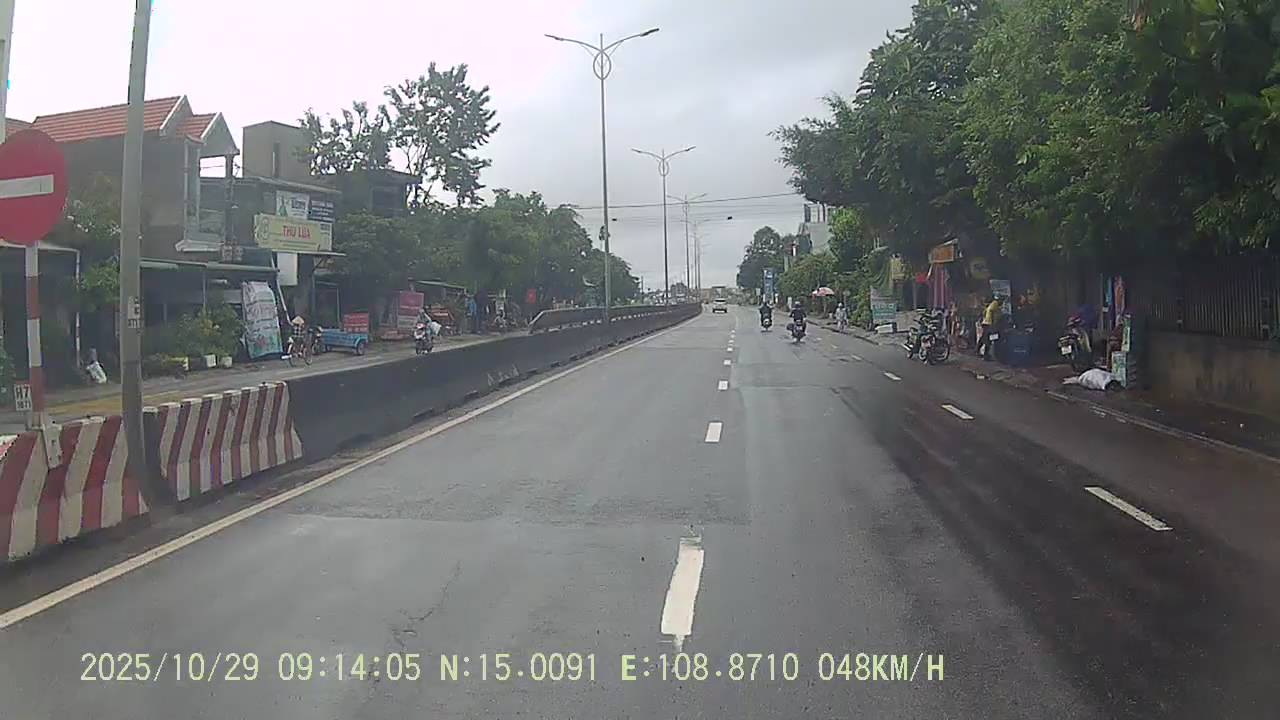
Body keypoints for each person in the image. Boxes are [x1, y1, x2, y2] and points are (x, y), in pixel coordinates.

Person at [977, 295, 1003, 360]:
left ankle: (977, 350)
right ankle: (985, 355)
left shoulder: (992, 304)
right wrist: (993, 322)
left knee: (984, 338)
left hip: (986, 323)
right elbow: (991, 311)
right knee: (988, 340)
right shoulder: (995, 303)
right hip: (989, 324)